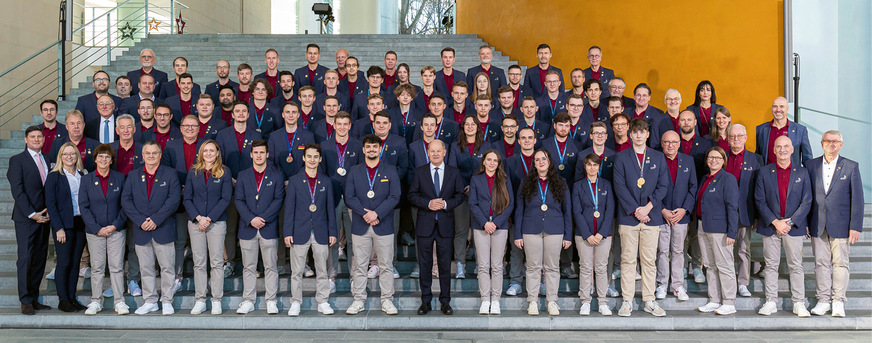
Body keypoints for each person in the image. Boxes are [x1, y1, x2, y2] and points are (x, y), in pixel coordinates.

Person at [613, 118, 669, 317]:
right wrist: (635, 210)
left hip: (651, 217)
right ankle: (627, 300)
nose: (638, 135)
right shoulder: (621, 157)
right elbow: (619, 187)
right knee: (627, 260)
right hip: (629, 218)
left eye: (642, 131)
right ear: (630, 134)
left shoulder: (658, 157)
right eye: (635, 132)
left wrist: (647, 208)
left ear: (647, 134)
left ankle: (649, 300)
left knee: (649, 260)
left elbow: (663, 186)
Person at [806, 130, 865, 317]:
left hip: (841, 223)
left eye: (835, 141)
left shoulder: (851, 166)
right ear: (822, 143)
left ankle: (838, 301)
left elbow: (858, 199)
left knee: (840, 263)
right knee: (821, 263)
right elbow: (806, 197)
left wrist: (855, 226)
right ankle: (823, 300)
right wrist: (806, 222)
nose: (831, 144)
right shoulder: (810, 165)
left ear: (841, 144)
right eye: (828, 141)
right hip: (817, 223)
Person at [344, 135, 402, 315]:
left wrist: (376, 213)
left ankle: (387, 300)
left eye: (374, 147)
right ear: (363, 149)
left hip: (383, 225)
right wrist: (366, 214)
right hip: (361, 225)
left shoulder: (390, 170)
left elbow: (394, 196)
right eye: (368, 147)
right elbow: (349, 197)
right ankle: (358, 299)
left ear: (380, 149)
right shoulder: (354, 171)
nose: (371, 150)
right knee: (360, 265)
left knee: (385, 265)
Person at [122, 140, 181, 315]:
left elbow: (173, 200)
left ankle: (167, 300)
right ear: (143, 155)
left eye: (154, 153)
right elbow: (126, 200)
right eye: (148, 153)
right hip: (142, 230)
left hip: (163, 228)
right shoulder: (133, 176)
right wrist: (141, 220)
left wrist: (156, 219)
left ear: (160, 155)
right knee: (146, 268)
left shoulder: (170, 174)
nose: (151, 156)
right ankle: (150, 301)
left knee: (167, 267)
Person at [755, 136, 812, 317]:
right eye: (778, 147)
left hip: (793, 227)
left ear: (792, 149)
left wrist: (790, 222)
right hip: (771, 226)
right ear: (773, 150)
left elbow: (807, 201)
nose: (782, 150)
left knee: (796, 266)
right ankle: (771, 301)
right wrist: (775, 222)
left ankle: (798, 303)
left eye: (786, 146)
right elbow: (759, 200)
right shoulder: (764, 172)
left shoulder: (802, 173)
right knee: (771, 266)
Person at [408, 139, 465, 315]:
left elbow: (460, 195)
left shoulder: (454, 172)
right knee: (425, 265)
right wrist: (428, 203)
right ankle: (425, 301)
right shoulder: (420, 172)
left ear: (444, 152)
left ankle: (445, 301)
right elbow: (411, 195)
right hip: (425, 224)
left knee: (445, 266)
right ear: (428, 152)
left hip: (445, 225)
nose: (435, 154)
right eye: (432, 151)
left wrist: (446, 204)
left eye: (438, 151)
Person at [514, 149, 572, 316]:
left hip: (555, 229)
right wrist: (518, 234)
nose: (540, 162)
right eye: (537, 159)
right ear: (534, 163)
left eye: (544, 159)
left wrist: (568, 235)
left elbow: (567, 211)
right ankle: (532, 301)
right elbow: (519, 210)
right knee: (533, 266)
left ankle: (551, 301)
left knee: (552, 267)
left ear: (549, 161)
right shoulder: (526, 183)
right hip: (531, 229)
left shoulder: (561, 182)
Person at [284, 144, 337, 316]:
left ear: (320, 159)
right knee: (297, 270)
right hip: (299, 230)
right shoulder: (294, 181)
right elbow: (289, 209)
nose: (312, 160)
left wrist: (333, 232)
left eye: (316, 157)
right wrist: (287, 232)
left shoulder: (326, 181)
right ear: (304, 158)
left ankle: (322, 301)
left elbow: (330, 209)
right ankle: (295, 302)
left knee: (322, 270)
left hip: (321, 231)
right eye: (309, 156)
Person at [234, 140, 284, 315]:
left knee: (271, 266)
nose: (259, 155)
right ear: (251, 154)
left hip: (268, 227)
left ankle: (271, 300)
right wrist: (251, 218)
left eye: (262, 152)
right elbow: (238, 200)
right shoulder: (243, 175)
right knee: (249, 267)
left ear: (267, 154)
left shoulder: (276, 175)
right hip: (248, 228)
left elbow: (278, 200)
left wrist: (263, 218)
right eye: (256, 152)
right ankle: (248, 300)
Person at [182, 140, 232, 315]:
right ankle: (200, 299)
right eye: (206, 151)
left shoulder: (224, 172)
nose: (209, 154)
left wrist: (209, 218)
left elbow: (225, 199)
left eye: (212, 151)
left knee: (217, 262)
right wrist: (198, 218)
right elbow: (186, 198)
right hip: (196, 223)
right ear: (201, 153)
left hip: (216, 223)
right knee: (199, 263)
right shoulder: (193, 171)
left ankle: (216, 299)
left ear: (218, 153)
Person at [80, 144, 129, 315]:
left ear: (111, 160)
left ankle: (119, 301)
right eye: (100, 156)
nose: (103, 159)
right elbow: (83, 207)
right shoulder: (86, 180)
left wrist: (115, 225)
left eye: (107, 157)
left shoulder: (121, 178)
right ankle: (96, 301)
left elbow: (125, 205)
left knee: (116, 267)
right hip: (95, 232)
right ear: (94, 159)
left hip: (116, 230)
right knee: (97, 268)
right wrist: (97, 228)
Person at [8, 126, 51, 315]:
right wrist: (32, 213)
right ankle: (25, 300)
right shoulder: (17, 160)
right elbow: (18, 191)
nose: (36, 139)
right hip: (27, 218)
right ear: (26, 139)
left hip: (46, 216)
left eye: (39, 136)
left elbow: (51, 187)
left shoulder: (48, 158)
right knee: (25, 258)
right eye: (32, 137)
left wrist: (49, 210)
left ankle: (34, 298)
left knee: (40, 258)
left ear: (43, 139)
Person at [468, 149, 513, 315]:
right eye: (489, 160)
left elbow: (510, 204)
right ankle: (485, 299)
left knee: (497, 265)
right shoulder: (476, 179)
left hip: (500, 228)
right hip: (481, 227)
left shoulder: (504, 180)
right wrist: (485, 223)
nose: (492, 163)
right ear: (484, 161)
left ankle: (495, 300)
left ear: (499, 163)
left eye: (495, 160)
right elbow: (472, 203)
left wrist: (496, 223)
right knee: (483, 265)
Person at [696, 147, 740, 315]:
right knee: (709, 265)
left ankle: (729, 302)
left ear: (723, 161)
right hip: (703, 227)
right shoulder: (705, 178)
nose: (713, 160)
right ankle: (714, 300)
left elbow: (732, 207)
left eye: (717, 157)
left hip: (720, 230)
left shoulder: (727, 179)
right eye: (710, 157)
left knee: (724, 265)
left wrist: (732, 232)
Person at [448, 115, 493, 279]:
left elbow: (488, 168)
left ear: (477, 127)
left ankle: (480, 265)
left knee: (480, 230)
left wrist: (474, 187)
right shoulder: (455, 146)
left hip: (481, 194)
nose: (469, 126)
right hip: (461, 193)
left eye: (473, 124)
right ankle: (460, 264)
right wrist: (464, 188)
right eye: (466, 124)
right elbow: (452, 170)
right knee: (460, 230)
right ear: (463, 127)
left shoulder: (486, 145)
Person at [45, 142, 88, 312]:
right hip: (64, 225)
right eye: (65, 154)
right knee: (64, 262)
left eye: (72, 154)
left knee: (76, 263)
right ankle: (63, 299)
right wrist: (58, 228)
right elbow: (51, 204)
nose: (69, 157)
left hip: (80, 223)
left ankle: (71, 297)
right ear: (60, 157)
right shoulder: (54, 176)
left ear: (77, 156)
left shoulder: (82, 175)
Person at [655, 131, 696, 302]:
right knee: (662, 251)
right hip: (661, 214)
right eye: (667, 142)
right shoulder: (656, 160)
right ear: (662, 143)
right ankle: (662, 284)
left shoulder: (688, 160)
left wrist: (684, 209)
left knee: (678, 251)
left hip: (681, 216)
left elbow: (693, 188)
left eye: (674, 142)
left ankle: (678, 285)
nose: (670, 145)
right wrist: (662, 210)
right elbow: (650, 188)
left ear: (679, 143)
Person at [572, 153, 615, 316]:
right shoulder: (578, 186)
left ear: (599, 167)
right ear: (585, 167)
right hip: (584, 235)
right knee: (585, 267)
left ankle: (602, 302)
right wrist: (588, 234)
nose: (592, 167)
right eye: (589, 164)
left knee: (601, 268)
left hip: (603, 234)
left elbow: (609, 210)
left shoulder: (606, 185)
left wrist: (601, 233)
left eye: (595, 165)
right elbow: (577, 211)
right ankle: (585, 301)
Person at [724, 124, 763, 298]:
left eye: (739, 136)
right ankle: (726, 281)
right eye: (732, 136)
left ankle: (742, 283)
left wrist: (757, 215)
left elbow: (759, 190)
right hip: (723, 212)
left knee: (743, 249)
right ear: (727, 138)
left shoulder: (756, 159)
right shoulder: (721, 157)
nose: (736, 139)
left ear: (746, 138)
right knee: (723, 250)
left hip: (745, 212)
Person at [504, 127, 537, 296]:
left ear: (535, 140)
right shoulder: (510, 162)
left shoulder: (542, 159)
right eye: (523, 138)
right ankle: (515, 282)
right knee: (516, 249)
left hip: (538, 214)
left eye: (530, 137)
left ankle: (539, 283)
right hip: (516, 211)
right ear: (518, 141)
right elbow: (507, 190)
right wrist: (509, 213)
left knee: (537, 252)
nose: (526, 141)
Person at [755, 96, 812, 166]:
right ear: (772, 108)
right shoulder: (761, 130)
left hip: (792, 176)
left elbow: (808, 159)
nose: (778, 110)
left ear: (787, 109)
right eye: (775, 106)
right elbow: (758, 157)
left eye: (782, 106)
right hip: (767, 175)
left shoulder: (800, 130)